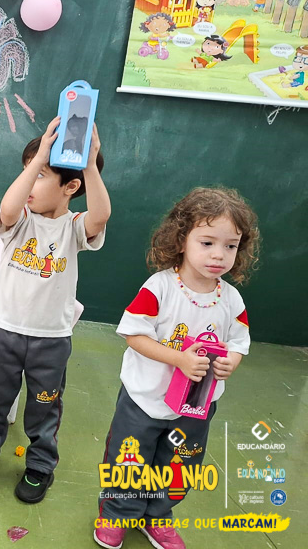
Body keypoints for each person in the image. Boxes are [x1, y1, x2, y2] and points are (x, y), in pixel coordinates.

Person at [0, 117, 110, 504]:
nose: (29, 183)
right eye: (28, 172)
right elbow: (8, 207)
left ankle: (40, 464)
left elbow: (101, 215)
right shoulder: (19, 222)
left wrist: (90, 163)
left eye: (40, 176)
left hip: (50, 338)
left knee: (45, 405)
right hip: (4, 329)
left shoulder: (74, 227)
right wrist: (39, 158)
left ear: (71, 187)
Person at [93, 187, 259, 549]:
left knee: (179, 464)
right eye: (207, 242)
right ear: (182, 239)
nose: (219, 254)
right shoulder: (160, 287)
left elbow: (239, 342)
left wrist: (231, 362)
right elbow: (134, 335)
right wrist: (180, 359)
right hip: (144, 400)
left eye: (230, 246)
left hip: (196, 407)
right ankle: (117, 514)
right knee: (129, 460)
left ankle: (157, 516)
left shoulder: (231, 299)